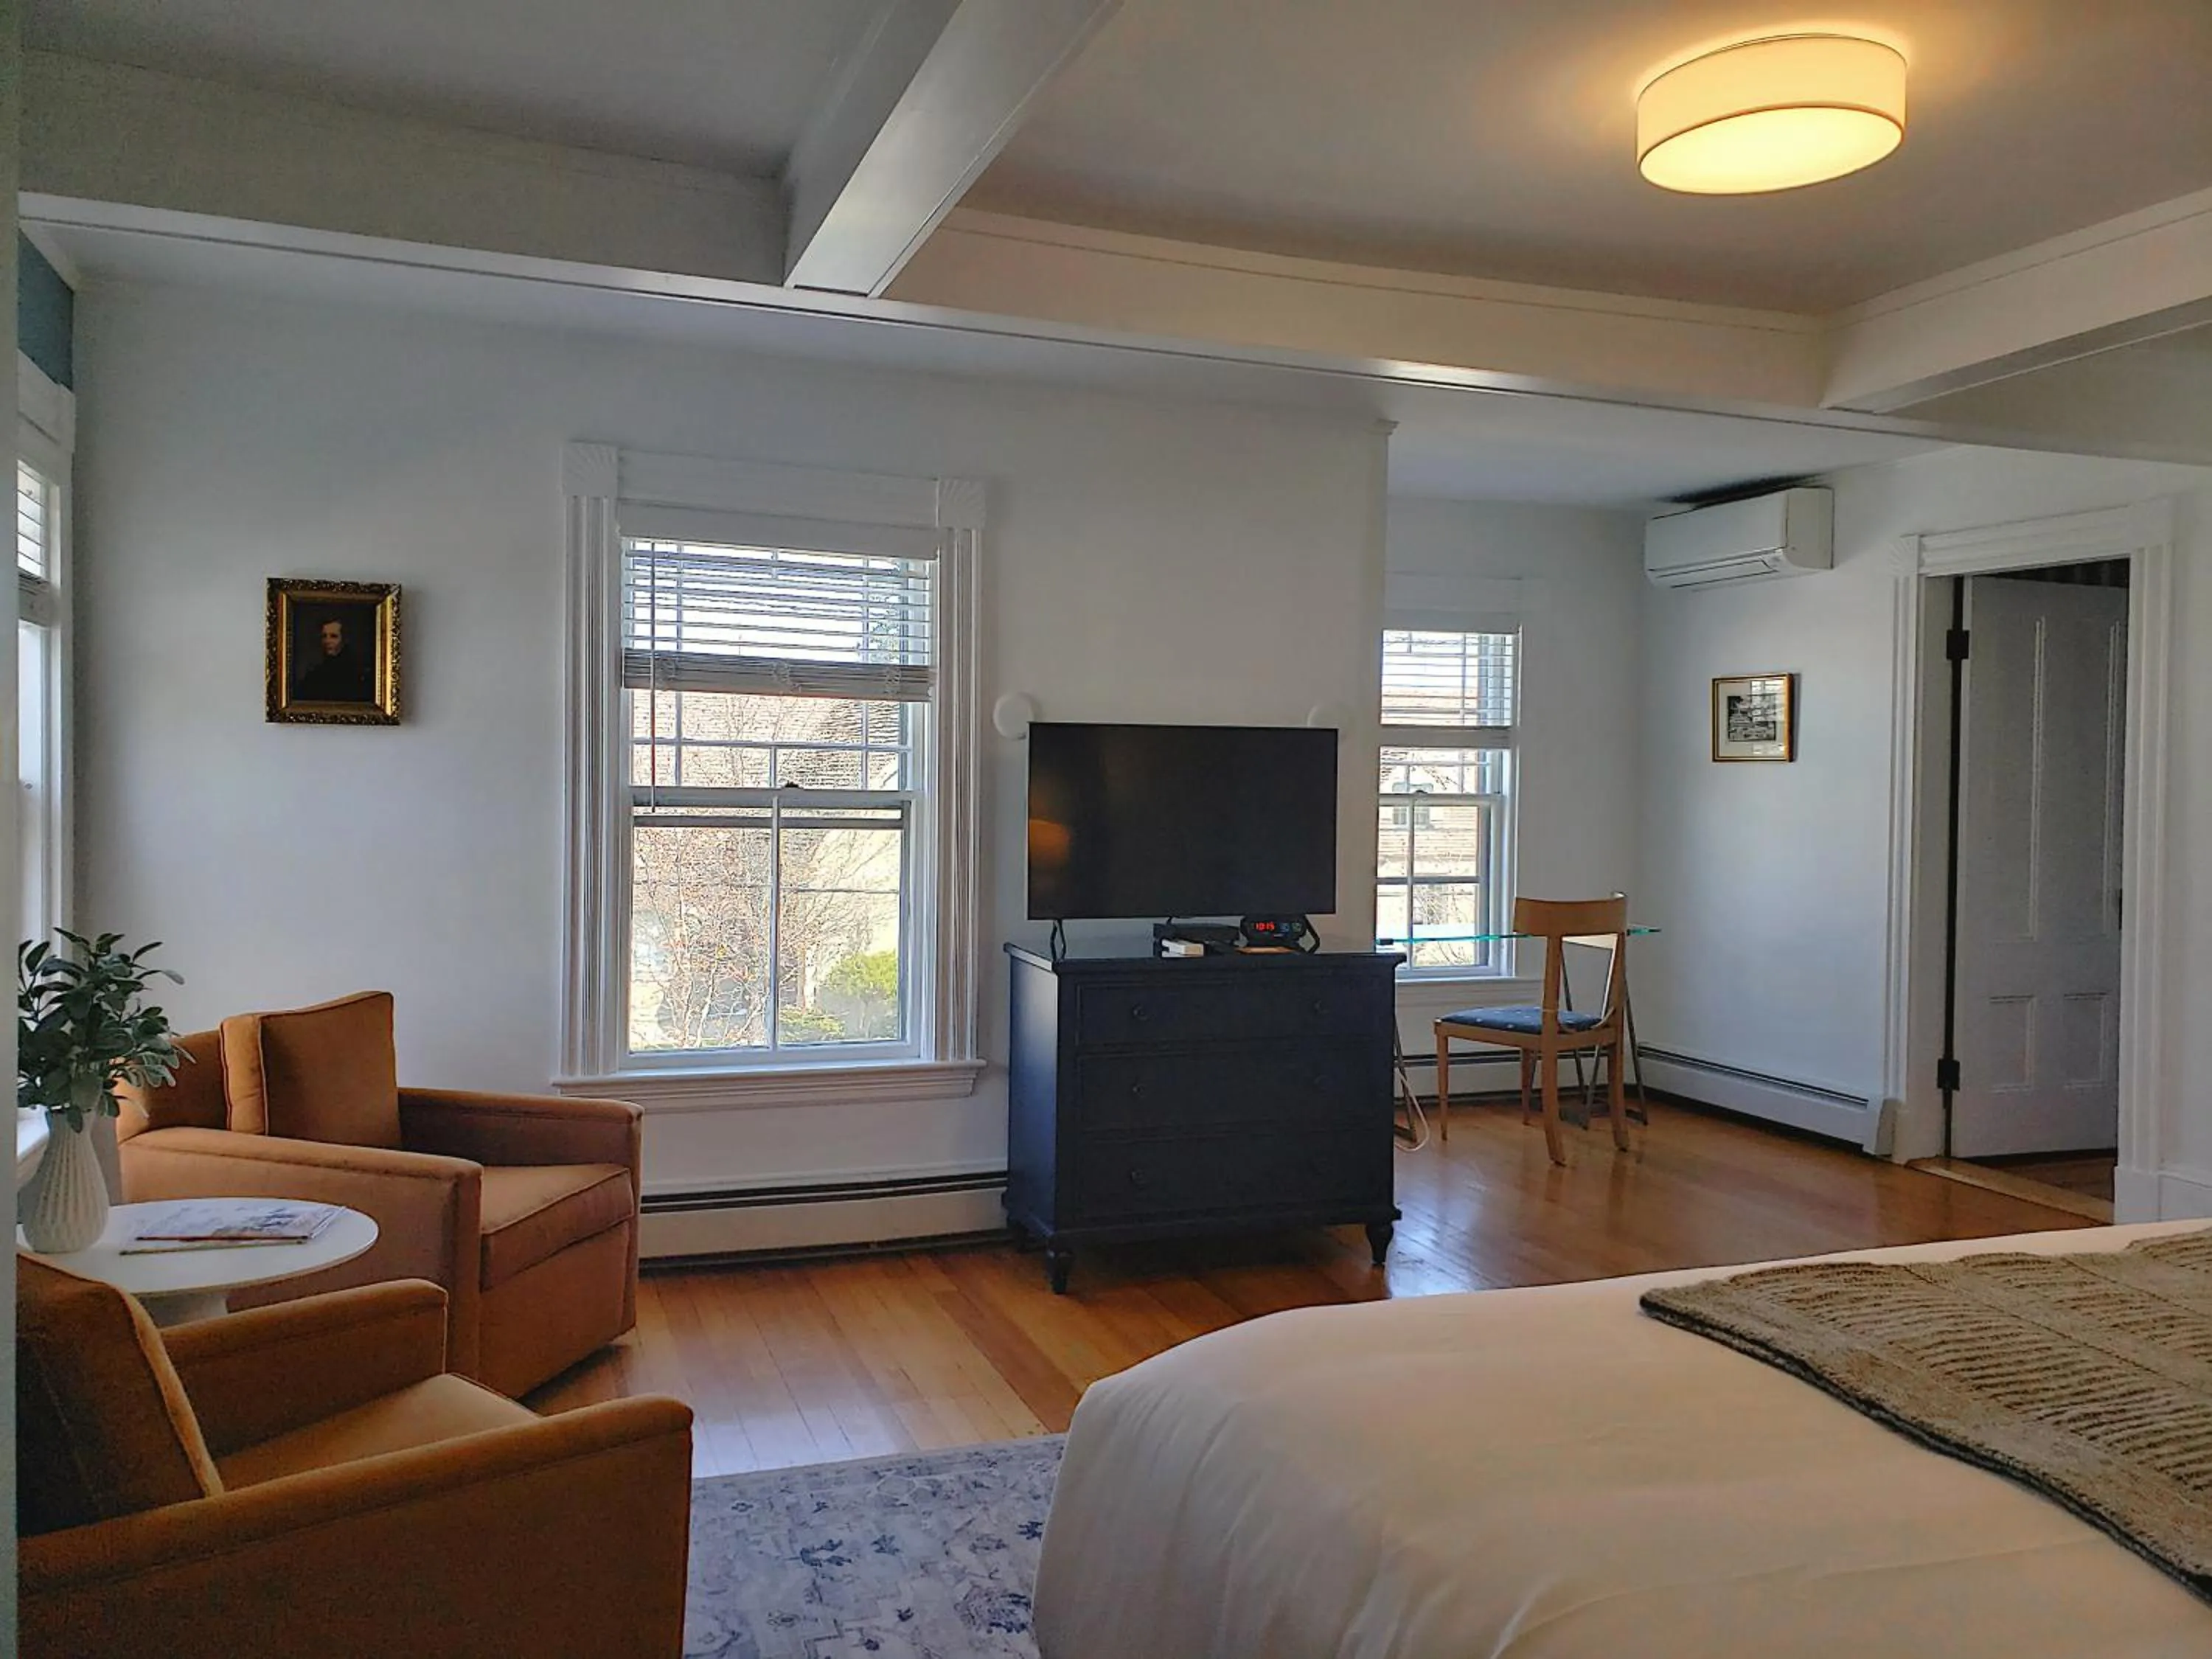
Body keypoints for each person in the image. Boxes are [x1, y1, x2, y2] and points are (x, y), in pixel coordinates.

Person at [294, 614, 375, 703]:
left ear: (344, 639)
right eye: (324, 636)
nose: (327, 641)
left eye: (334, 636)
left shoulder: (358, 672)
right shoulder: (315, 673)